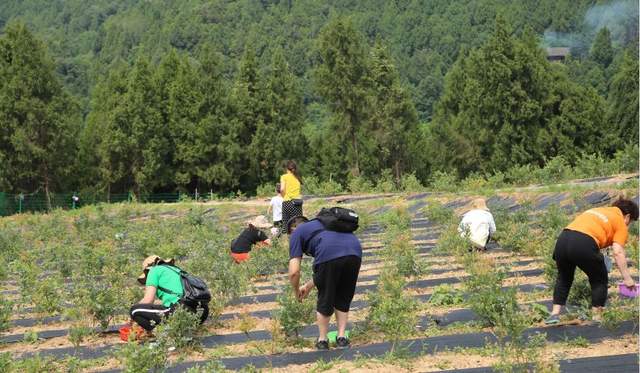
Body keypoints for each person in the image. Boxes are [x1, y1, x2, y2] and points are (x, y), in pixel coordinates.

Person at [545, 198, 638, 325]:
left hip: (563, 239)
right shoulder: (620, 222)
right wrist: (627, 278)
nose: (628, 225)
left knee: (564, 278)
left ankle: (554, 314)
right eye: (630, 222)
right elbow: (618, 252)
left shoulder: (597, 210)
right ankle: (597, 317)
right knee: (599, 278)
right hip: (583, 242)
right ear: (627, 216)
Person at [287, 215, 362, 350]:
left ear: (293, 228)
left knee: (325, 297)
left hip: (329, 254)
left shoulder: (296, 233)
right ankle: (341, 338)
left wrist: (296, 290)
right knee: (343, 295)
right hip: (355, 251)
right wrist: (308, 286)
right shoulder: (326, 223)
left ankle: (322, 340)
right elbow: (325, 271)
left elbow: (294, 272)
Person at [130, 255, 209, 333]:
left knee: (135, 310)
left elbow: (148, 300)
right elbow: (171, 299)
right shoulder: (177, 270)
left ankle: (163, 335)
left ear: (147, 270)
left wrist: (135, 312)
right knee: (165, 310)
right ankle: (178, 332)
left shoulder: (154, 270)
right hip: (201, 313)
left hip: (182, 309)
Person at [280, 160, 303, 234]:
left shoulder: (284, 177)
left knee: (286, 224)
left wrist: (284, 196)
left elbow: (282, 189)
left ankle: (287, 241)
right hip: (298, 203)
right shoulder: (297, 178)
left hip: (288, 202)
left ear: (286, 168)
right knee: (298, 224)